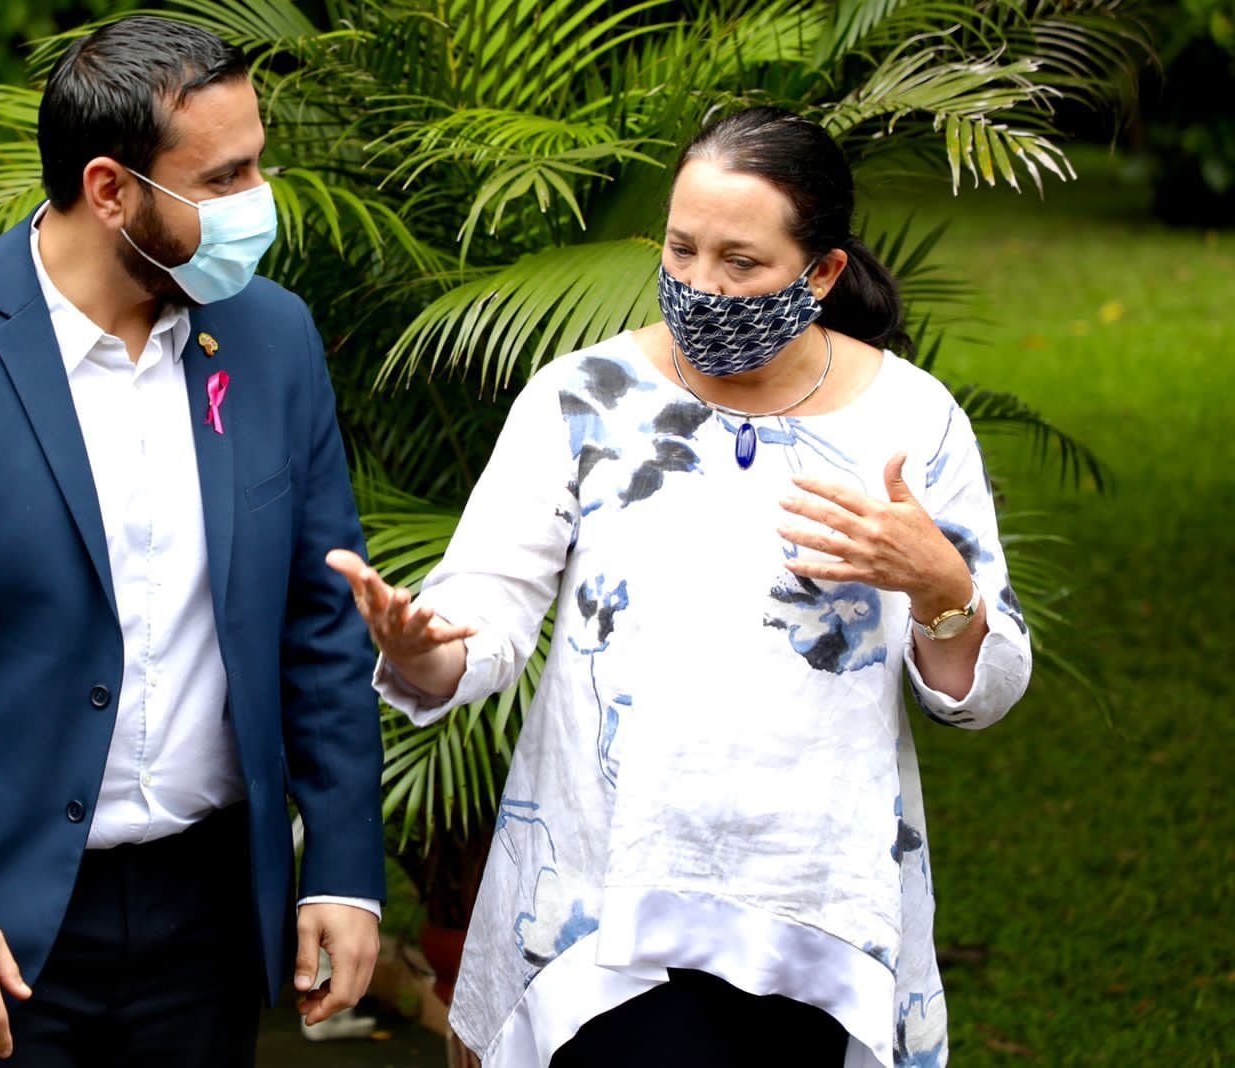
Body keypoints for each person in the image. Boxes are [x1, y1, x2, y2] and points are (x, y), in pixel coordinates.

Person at [328, 107, 1032, 1068]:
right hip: (608, 915)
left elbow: (979, 694)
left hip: (815, 917)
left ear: (823, 272)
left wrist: (939, 582)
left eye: (741, 262)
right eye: (681, 248)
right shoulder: (582, 398)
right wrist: (426, 647)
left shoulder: (912, 419)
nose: (702, 285)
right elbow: (485, 605)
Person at [0, 16, 384, 1066]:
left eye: (258, 165)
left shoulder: (272, 335)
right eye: (225, 179)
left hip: (203, 924)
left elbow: (322, 617)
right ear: (109, 190)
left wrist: (341, 867)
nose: (259, 202)